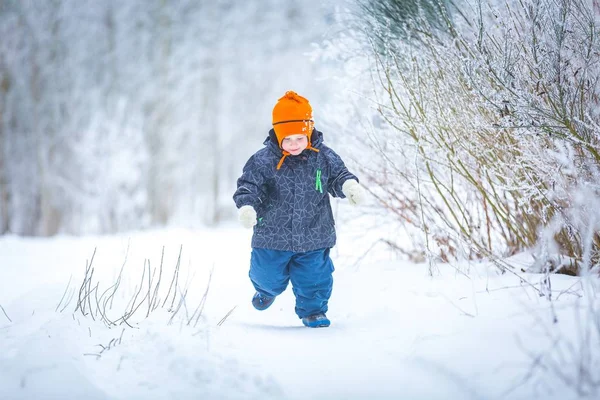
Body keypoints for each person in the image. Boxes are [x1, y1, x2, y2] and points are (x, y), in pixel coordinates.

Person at [233, 90, 365, 328]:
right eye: (288, 139)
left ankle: (313, 311)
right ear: (278, 136)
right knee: (267, 275)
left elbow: (338, 175)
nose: (294, 144)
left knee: (315, 277)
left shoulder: (323, 157)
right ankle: (266, 290)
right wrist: (247, 206)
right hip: (272, 235)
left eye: (299, 138)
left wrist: (348, 185)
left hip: (314, 233)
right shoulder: (263, 161)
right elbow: (248, 186)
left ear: (309, 132)